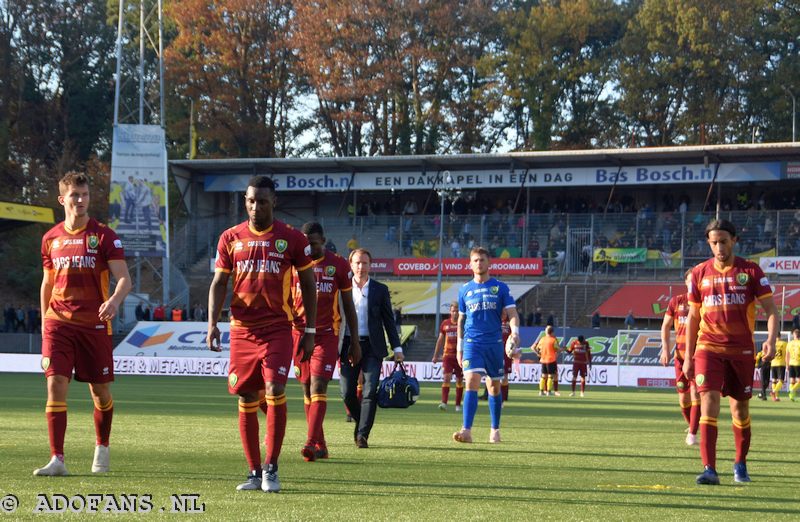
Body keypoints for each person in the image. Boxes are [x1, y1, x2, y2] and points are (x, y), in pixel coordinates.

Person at [207, 175, 317, 493]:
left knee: (274, 388)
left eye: (262, 201)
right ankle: (254, 472)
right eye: (251, 201)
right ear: (245, 201)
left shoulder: (291, 239)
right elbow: (218, 283)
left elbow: (308, 284)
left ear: (274, 203)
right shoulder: (230, 237)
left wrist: (308, 330)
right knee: (246, 396)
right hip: (241, 330)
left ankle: (272, 468)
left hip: (278, 328)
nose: (256, 207)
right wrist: (213, 323)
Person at [34, 171, 132, 477]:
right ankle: (57, 459)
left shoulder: (104, 236)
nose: (80, 200)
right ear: (63, 199)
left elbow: (125, 280)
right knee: (55, 384)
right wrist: (43, 324)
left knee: (99, 392)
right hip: (58, 323)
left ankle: (102, 445)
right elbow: (47, 284)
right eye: (75, 195)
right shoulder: (50, 239)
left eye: (85, 194)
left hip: (94, 325)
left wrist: (114, 301)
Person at [684, 219, 778, 485]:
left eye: (723, 241)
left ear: (734, 240)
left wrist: (770, 339)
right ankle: (709, 469)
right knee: (709, 402)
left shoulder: (751, 271)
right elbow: (692, 318)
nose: (719, 246)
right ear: (709, 243)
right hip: (708, 348)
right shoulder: (699, 274)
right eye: (714, 242)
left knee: (740, 411)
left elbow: (771, 311)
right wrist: (689, 355)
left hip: (742, 351)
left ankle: (740, 463)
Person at [291, 222, 361, 461]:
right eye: (305, 243)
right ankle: (320, 444)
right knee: (306, 389)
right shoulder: (294, 264)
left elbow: (348, 305)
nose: (309, 248)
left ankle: (310, 443)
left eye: (313, 243)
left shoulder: (338, 264)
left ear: (323, 240)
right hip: (298, 333)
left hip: (326, 334)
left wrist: (354, 340)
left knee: (318, 386)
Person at [452, 246, 520, 444]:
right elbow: (461, 321)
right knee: (471, 380)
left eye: (482, 260)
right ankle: (466, 430)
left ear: (489, 263)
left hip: (494, 343)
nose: (479, 263)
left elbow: (513, 314)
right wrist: (459, 347)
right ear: (470, 264)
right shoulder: (464, 290)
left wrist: (515, 334)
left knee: (494, 386)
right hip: (473, 342)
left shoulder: (500, 287)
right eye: (475, 260)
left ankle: (495, 430)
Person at [340, 248, 403, 449]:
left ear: (370, 265)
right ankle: (362, 422)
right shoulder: (341, 288)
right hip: (348, 345)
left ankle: (362, 435)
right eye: (357, 263)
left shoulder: (380, 289)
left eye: (364, 263)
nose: (361, 267)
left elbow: (388, 321)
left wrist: (397, 347)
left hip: (373, 347)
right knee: (347, 393)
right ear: (351, 265)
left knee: (369, 391)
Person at [659, 270, 700, 445]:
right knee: (683, 397)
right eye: (690, 281)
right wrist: (665, 348)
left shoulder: (703, 302)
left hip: (699, 355)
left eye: (696, 281)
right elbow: (665, 326)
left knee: (695, 393)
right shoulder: (676, 301)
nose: (693, 284)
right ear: (685, 283)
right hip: (680, 356)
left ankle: (692, 433)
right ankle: (692, 425)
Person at [432, 302, 463, 412]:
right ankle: (444, 403)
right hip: (448, 356)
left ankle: (458, 405)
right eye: (453, 310)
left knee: (459, 380)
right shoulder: (445, 323)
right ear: (450, 311)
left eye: (457, 310)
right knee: (446, 378)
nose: (455, 312)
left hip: (460, 356)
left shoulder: (463, 323)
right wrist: (435, 355)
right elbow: (440, 340)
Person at [533, 326, 560, 397]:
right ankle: (549, 391)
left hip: (543, 360)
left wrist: (538, 354)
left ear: (546, 332)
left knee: (543, 376)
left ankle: (541, 391)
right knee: (550, 376)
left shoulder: (542, 339)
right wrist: (561, 349)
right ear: (552, 332)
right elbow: (557, 349)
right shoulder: (553, 340)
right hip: (551, 359)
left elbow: (536, 348)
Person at [769, 335, 788, 402]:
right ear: (780, 336)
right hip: (781, 364)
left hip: (773, 363)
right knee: (781, 381)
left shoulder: (772, 343)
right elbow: (788, 353)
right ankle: (774, 392)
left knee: (774, 381)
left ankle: (776, 397)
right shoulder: (785, 343)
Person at [787, 329, 800, 401]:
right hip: (798, 363)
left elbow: (787, 355)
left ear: (793, 335)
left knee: (792, 381)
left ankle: (792, 396)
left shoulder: (789, 343)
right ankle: (792, 391)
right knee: (798, 381)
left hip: (791, 363)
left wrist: (787, 364)